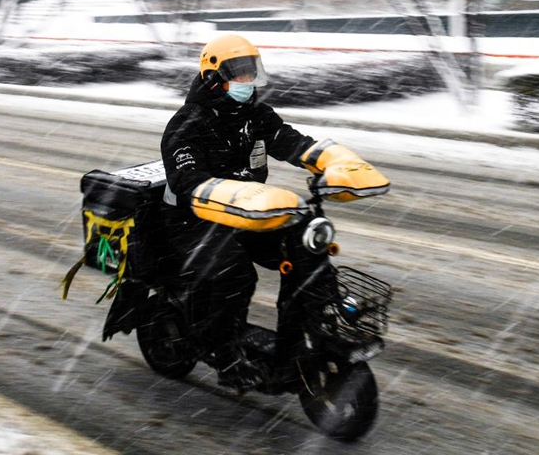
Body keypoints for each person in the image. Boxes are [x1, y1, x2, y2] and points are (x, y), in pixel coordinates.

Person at [160, 34, 385, 390]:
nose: (248, 81)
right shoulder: (187, 124)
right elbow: (188, 181)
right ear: (212, 76)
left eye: (252, 72)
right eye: (240, 73)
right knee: (235, 275)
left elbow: (290, 140)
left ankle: (303, 334)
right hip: (193, 220)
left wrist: (330, 163)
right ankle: (224, 354)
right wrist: (242, 193)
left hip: (247, 213)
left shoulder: (255, 115)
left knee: (306, 246)